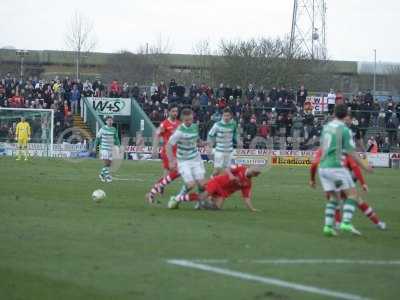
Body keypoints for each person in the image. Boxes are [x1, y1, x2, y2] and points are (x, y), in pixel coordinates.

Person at [317, 104, 371, 236]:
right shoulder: (344, 130)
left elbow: (322, 147)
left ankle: (328, 227)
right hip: (336, 167)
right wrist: (365, 166)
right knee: (352, 195)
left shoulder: (326, 127)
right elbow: (352, 153)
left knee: (334, 198)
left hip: (323, 167)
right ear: (346, 115)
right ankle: (346, 222)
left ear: (334, 113)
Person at [310, 148, 386, 230]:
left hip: (327, 177)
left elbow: (314, 164)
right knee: (357, 199)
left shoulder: (321, 150)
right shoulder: (344, 149)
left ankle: (335, 224)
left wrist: (312, 179)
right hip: (342, 175)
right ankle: (377, 223)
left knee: (333, 200)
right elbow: (355, 167)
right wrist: (363, 183)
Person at [168, 164, 261, 212]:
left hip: (223, 192)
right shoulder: (241, 168)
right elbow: (227, 168)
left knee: (216, 208)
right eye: (252, 171)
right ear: (250, 168)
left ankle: (203, 203)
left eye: (254, 174)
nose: (252, 174)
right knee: (203, 196)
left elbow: (246, 197)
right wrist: (231, 175)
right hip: (217, 182)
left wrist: (252, 209)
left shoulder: (248, 183)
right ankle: (177, 198)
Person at [166, 108, 206, 209]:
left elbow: (197, 139)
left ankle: (200, 203)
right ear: (183, 120)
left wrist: (203, 143)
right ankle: (177, 199)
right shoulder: (179, 131)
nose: (189, 122)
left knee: (202, 185)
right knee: (191, 185)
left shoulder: (195, 127)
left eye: (190, 119)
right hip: (184, 161)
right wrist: (171, 161)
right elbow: (169, 145)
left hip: (196, 159)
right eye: (186, 120)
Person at [147, 104, 180, 203]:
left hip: (177, 152)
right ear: (169, 112)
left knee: (167, 175)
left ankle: (160, 187)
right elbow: (157, 135)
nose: (175, 113)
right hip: (167, 152)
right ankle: (157, 188)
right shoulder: (164, 124)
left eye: (176, 111)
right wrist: (154, 149)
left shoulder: (179, 123)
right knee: (176, 172)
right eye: (173, 111)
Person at [207, 108, 239, 177]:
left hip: (229, 151)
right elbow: (210, 135)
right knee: (217, 171)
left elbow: (235, 135)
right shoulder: (217, 125)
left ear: (231, 116)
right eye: (224, 116)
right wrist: (209, 146)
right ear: (222, 116)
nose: (226, 117)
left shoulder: (233, 124)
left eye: (228, 116)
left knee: (229, 171)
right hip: (219, 151)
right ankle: (211, 181)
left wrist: (238, 140)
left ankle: (226, 186)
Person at [93, 116, 120, 183]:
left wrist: (119, 146)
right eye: (109, 120)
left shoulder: (114, 129)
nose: (110, 122)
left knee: (109, 164)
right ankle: (107, 177)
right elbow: (97, 138)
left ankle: (102, 175)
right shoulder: (102, 129)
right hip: (104, 149)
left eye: (111, 120)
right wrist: (94, 147)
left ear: (112, 121)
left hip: (111, 148)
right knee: (107, 163)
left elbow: (116, 139)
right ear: (106, 122)